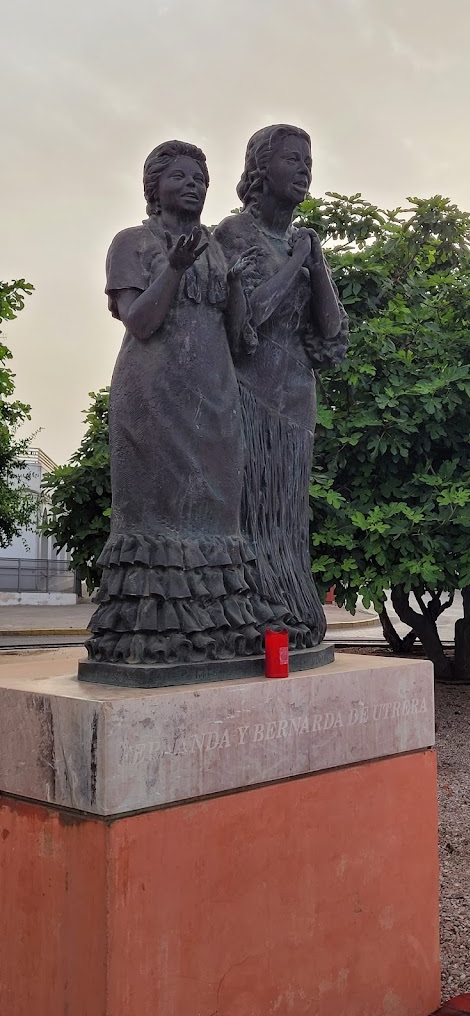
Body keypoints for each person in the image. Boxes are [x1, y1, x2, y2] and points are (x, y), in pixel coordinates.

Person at [87, 140, 285, 667]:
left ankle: (216, 636)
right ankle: (151, 640)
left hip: (214, 395)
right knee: (157, 515)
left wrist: (236, 283)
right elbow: (139, 322)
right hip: (154, 395)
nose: (193, 185)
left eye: (200, 178)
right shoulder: (132, 242)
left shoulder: (214, 248)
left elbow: (240, 338)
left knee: (217, 514)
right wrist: (173, 269)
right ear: (154, 187)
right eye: (179, 176)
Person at [215, 125, 348, 648]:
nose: (304, 169)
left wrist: (315, 262)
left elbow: (332, 332)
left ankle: (292, 608)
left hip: (296, 396)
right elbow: (245, 320)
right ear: (260, 170)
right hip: (249, 393)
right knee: (251, 506)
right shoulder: (234, 233)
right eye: (293, 159)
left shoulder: (301, 242)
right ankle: (251, 610)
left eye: (308, 160)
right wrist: (296, 263)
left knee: (288, 513)